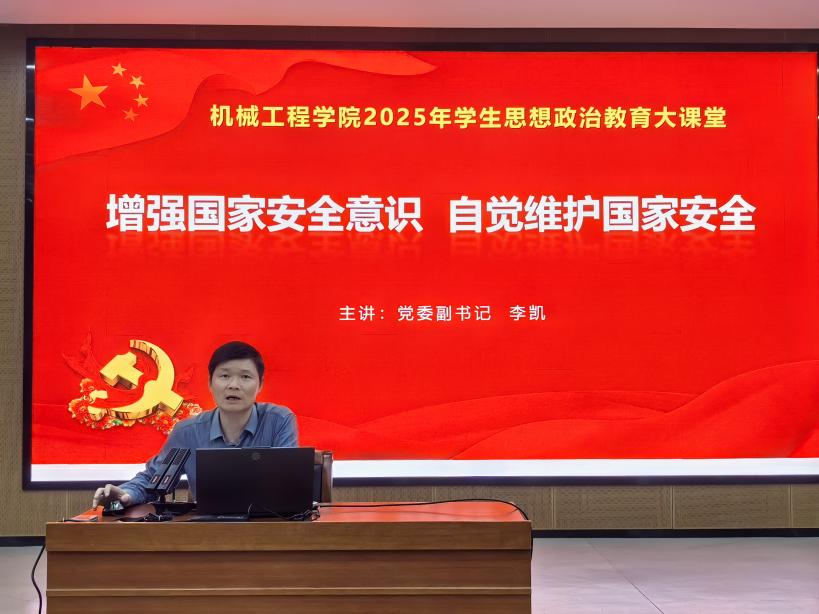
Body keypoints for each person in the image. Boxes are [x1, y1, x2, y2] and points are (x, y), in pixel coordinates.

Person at [92, 340, 298, 508]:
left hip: (268, 528)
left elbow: (288, 481)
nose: (233, 385)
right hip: (207, 533)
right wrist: (126, 494)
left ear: (260, 385)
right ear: (210, 383)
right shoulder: (187, 432)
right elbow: (153, 479)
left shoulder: (279, 420)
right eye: (225, 376)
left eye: (245, 377)